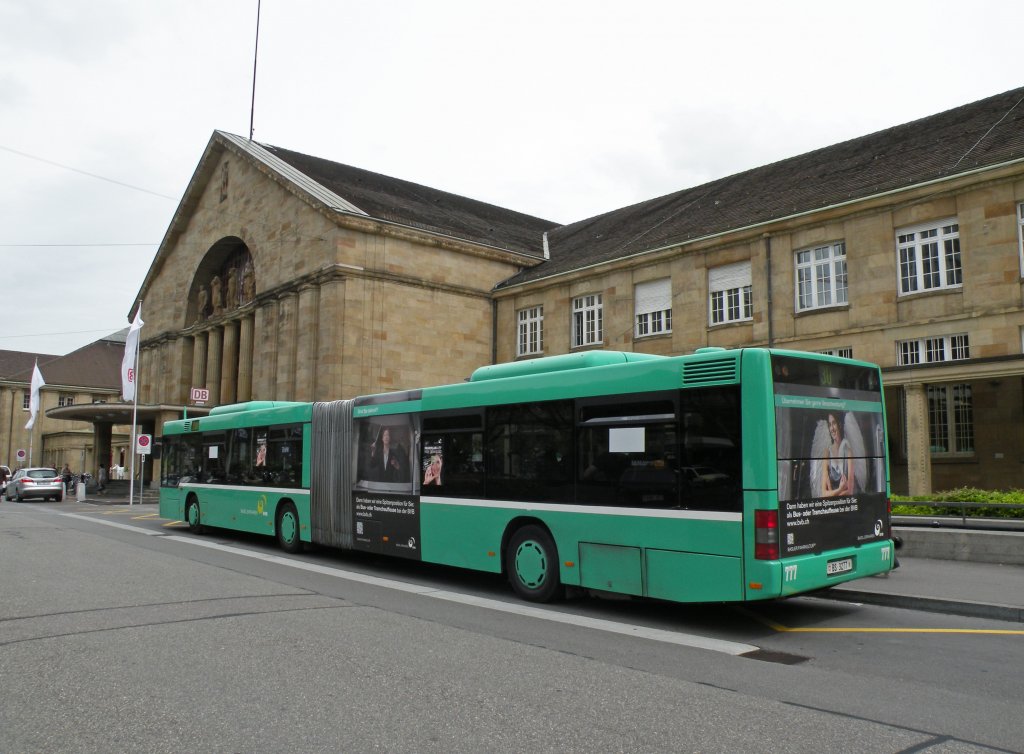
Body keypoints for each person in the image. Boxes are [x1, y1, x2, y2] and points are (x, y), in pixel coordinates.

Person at [821, 412, 854, 497]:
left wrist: (832, 494)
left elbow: (850, 491)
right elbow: (824, 493)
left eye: (834, 423)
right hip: (831, 506)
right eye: (829, 425)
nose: (832, 428)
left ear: (839, 424)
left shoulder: (848, 451)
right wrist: (841, 489)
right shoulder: (827, 452)